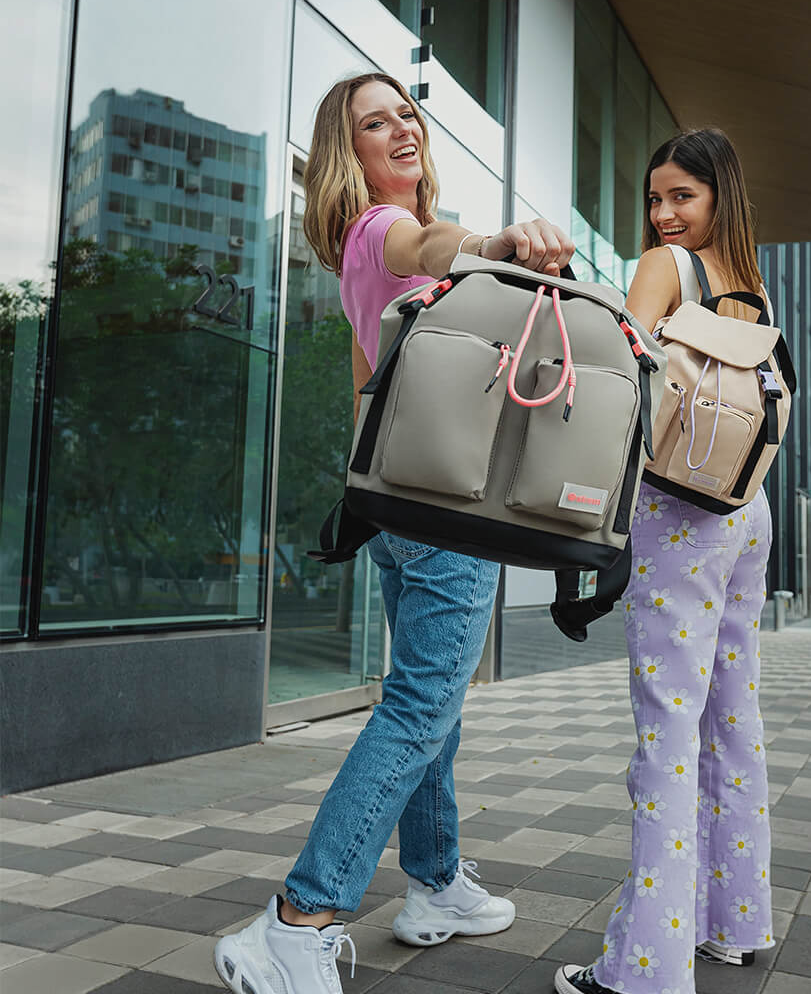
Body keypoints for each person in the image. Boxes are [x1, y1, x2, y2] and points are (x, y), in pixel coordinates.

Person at [214, 72, 574, 994]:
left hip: (404, 512)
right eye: (376, 123)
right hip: (446, 516)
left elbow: (371, 382)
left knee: (432, 714)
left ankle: (438, 883)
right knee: (417, 713)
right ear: (353, 153)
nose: (400, 128)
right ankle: (301, 918)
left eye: (406, 113)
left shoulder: (367, 260)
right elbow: (426, 236)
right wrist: (493, 241)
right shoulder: (382, 232)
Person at [556, 129, 776, 994]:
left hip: (680, 512)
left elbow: (618, 372)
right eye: (655, 199)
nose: (664, 214)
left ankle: (642, 969)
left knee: (667, 733)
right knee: (732, 724)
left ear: (719, 192)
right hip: (745, 511)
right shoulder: (748, 286)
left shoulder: (665, 268)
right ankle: (737, 923)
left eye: (682, 195)